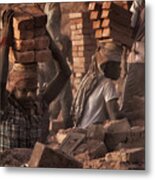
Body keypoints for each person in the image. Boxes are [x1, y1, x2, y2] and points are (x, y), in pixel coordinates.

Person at [0, 9, 71, 152]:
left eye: (34, 89)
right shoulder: (6, 109)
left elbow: (65, 73)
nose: (30, 95)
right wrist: (5, 43)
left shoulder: (38, 106)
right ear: (12, 88)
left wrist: (46, 39)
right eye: (24, 90)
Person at [71, 42, 124, 129]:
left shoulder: (89, 80)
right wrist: (136, 114)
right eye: (118, 65)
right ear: (108, 65)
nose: (120, 68)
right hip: (92, 135)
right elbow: (115, 117)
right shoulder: (107, 84)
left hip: (81, 130)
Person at [38, 2, 73, 129]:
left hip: (44, 59)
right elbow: (51, 25)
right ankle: (66, 123)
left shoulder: (46, 6)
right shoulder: (52, 5)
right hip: (51, 56)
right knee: (64, 91)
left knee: (53, 92)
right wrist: (57, 43)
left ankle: (52, 122)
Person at [120, 0, 145, 122]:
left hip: (139, 58)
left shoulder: (139, 8)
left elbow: (129, 27)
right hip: (139, 56)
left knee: (127, 104)